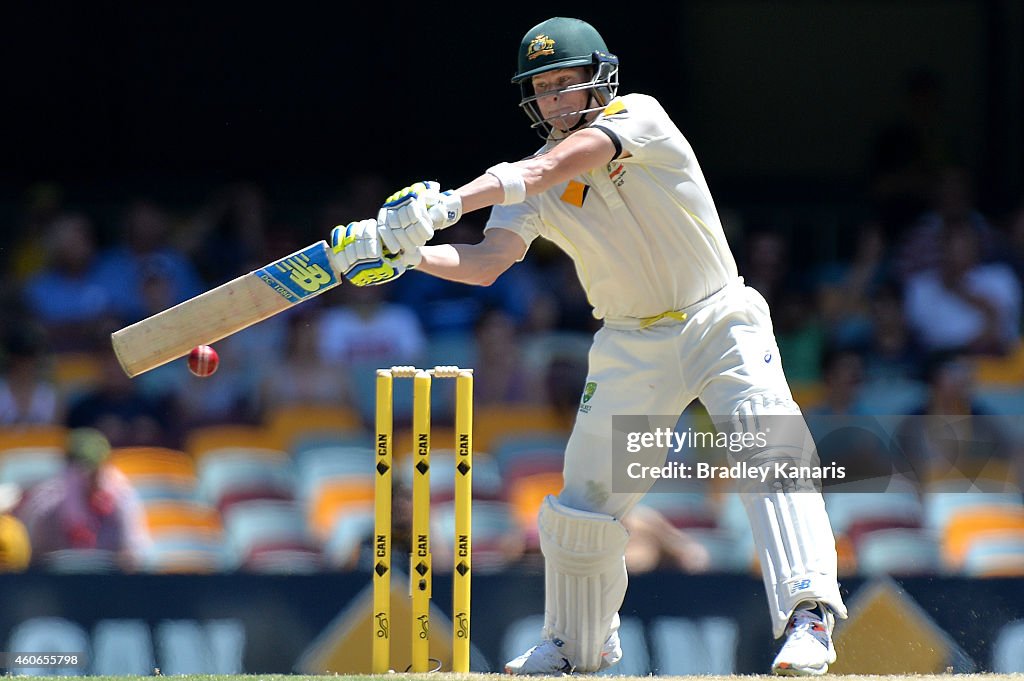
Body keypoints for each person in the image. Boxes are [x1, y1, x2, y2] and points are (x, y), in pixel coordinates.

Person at [330, 17, 847, 676]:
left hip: (720, 319)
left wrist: (448, 201)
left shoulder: (639, 116)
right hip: (631, 342)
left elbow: (548, 166)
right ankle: (578, 644)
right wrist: (407, 255)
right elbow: (490, 259)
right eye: (542, 88)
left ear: (599, 77)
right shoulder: (535, 180)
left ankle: (809, 617)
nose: (555, 99)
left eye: (565, 83)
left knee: (766, 449)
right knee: (585, 500)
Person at [17, 428, 149, 571]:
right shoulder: (46, 504)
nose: (89, 477)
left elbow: (136, 558)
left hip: (109, 586)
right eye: (80, 470)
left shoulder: (122, 500)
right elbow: (32, 560)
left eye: (96, 470)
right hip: (56, 587)